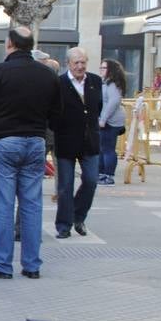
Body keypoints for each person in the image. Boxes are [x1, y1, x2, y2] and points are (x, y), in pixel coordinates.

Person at [0, 26, 60, 278]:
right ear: (30, 45)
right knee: (32, 205)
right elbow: (56, 112)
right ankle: (32, 265)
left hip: (5, 141)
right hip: (35, 143)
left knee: (3, 205)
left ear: (10, 44)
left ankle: (1, 264)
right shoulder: (47, 74)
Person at [53, 48, 102, 238]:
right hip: (66, 140)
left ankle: (78, 216)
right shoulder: (59, 83)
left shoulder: (95, 81)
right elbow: (53, 111)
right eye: (76, 63)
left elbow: (97, 106)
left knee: (91, 180)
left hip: (89, 141)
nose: (80, 66)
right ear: (68, 64)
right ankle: (63, 225)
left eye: (83, 62)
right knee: (65, 186)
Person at [97, 59, 128, 185]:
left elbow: (113, 102)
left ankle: (108, 175)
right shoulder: (106, 83)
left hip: (111, 121)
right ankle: (101, 173)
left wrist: (103, 119)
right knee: (102, 147)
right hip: (106, 119)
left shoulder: (112, 84)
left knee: (107, 148)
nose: (101, 70)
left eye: (104, 68)